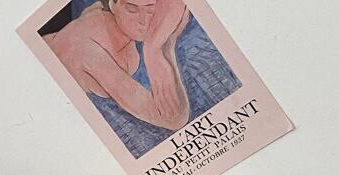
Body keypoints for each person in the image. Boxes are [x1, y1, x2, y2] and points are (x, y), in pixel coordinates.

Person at [45, 0, 240, 158]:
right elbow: (173, 118)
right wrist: (156, 50)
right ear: (114, 5)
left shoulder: (109, 17)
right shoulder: (88, 50)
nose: (143, 22)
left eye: (150, 10)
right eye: (132, 9)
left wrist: (163, 40)